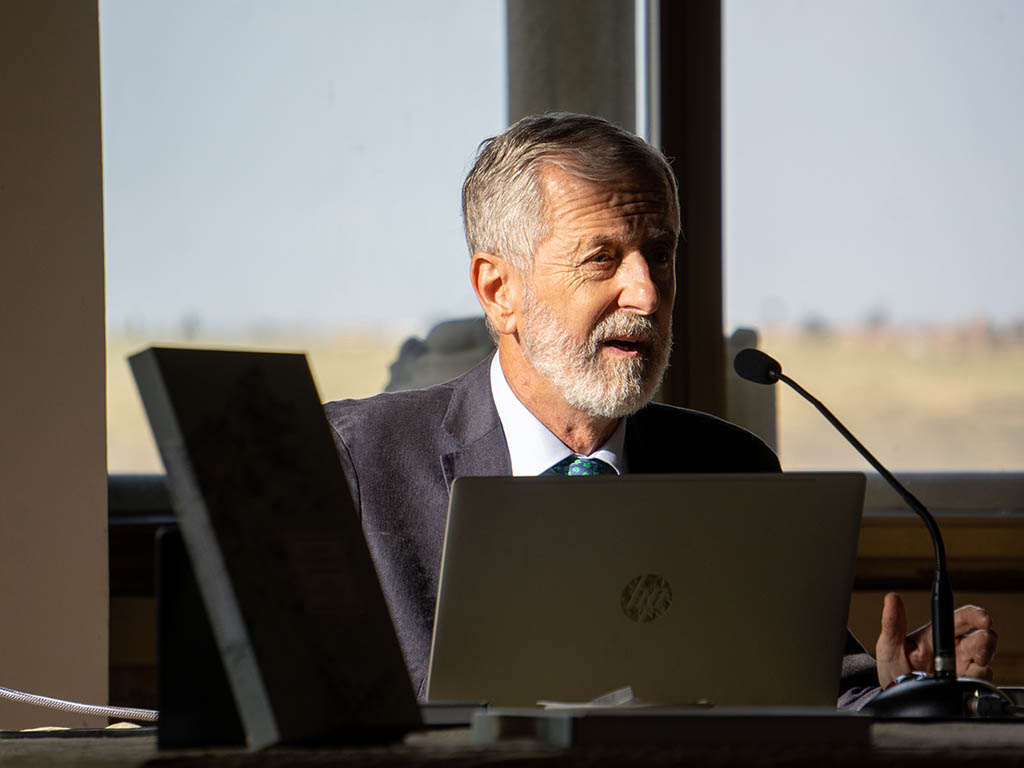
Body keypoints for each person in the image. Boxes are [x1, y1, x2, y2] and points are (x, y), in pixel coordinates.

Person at [324, 112, 996, 706]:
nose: (646, 293)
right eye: (604, 258)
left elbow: (814, 692)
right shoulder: (357, 461)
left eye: (661, 254)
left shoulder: (731, 469)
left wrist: (898, 687)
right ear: (500, 290)